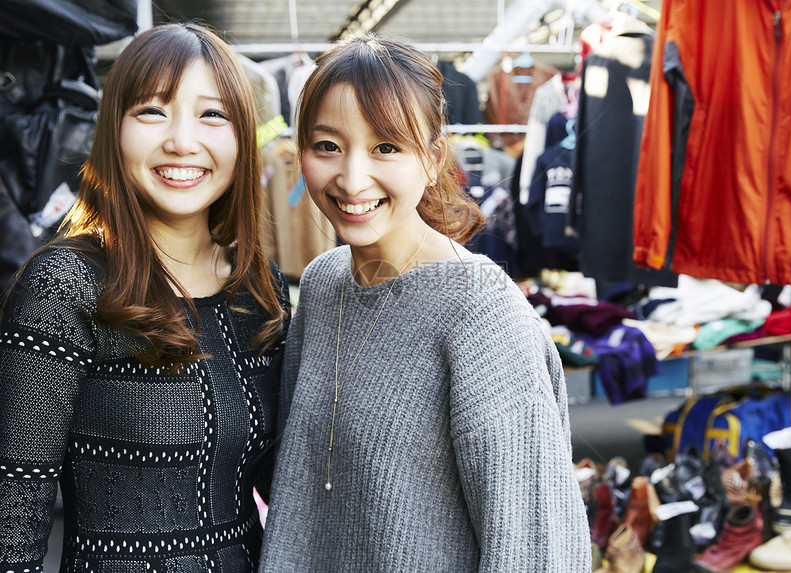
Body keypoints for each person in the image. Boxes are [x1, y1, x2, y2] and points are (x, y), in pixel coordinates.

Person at [260, 36, 591, 572]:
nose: (351, 177)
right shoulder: (323, 286)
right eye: (327, 145)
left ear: (433, 159)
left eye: (386, 147)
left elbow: (538, 549)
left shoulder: (481, 315)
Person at [0, 23, 289, 573]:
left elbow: (288, 484)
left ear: (241, 138)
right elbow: (12, 516)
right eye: (153, 111)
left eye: (212, 114)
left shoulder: (260, 288)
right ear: (114, 129)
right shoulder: (64, 286)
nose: (182, 140)